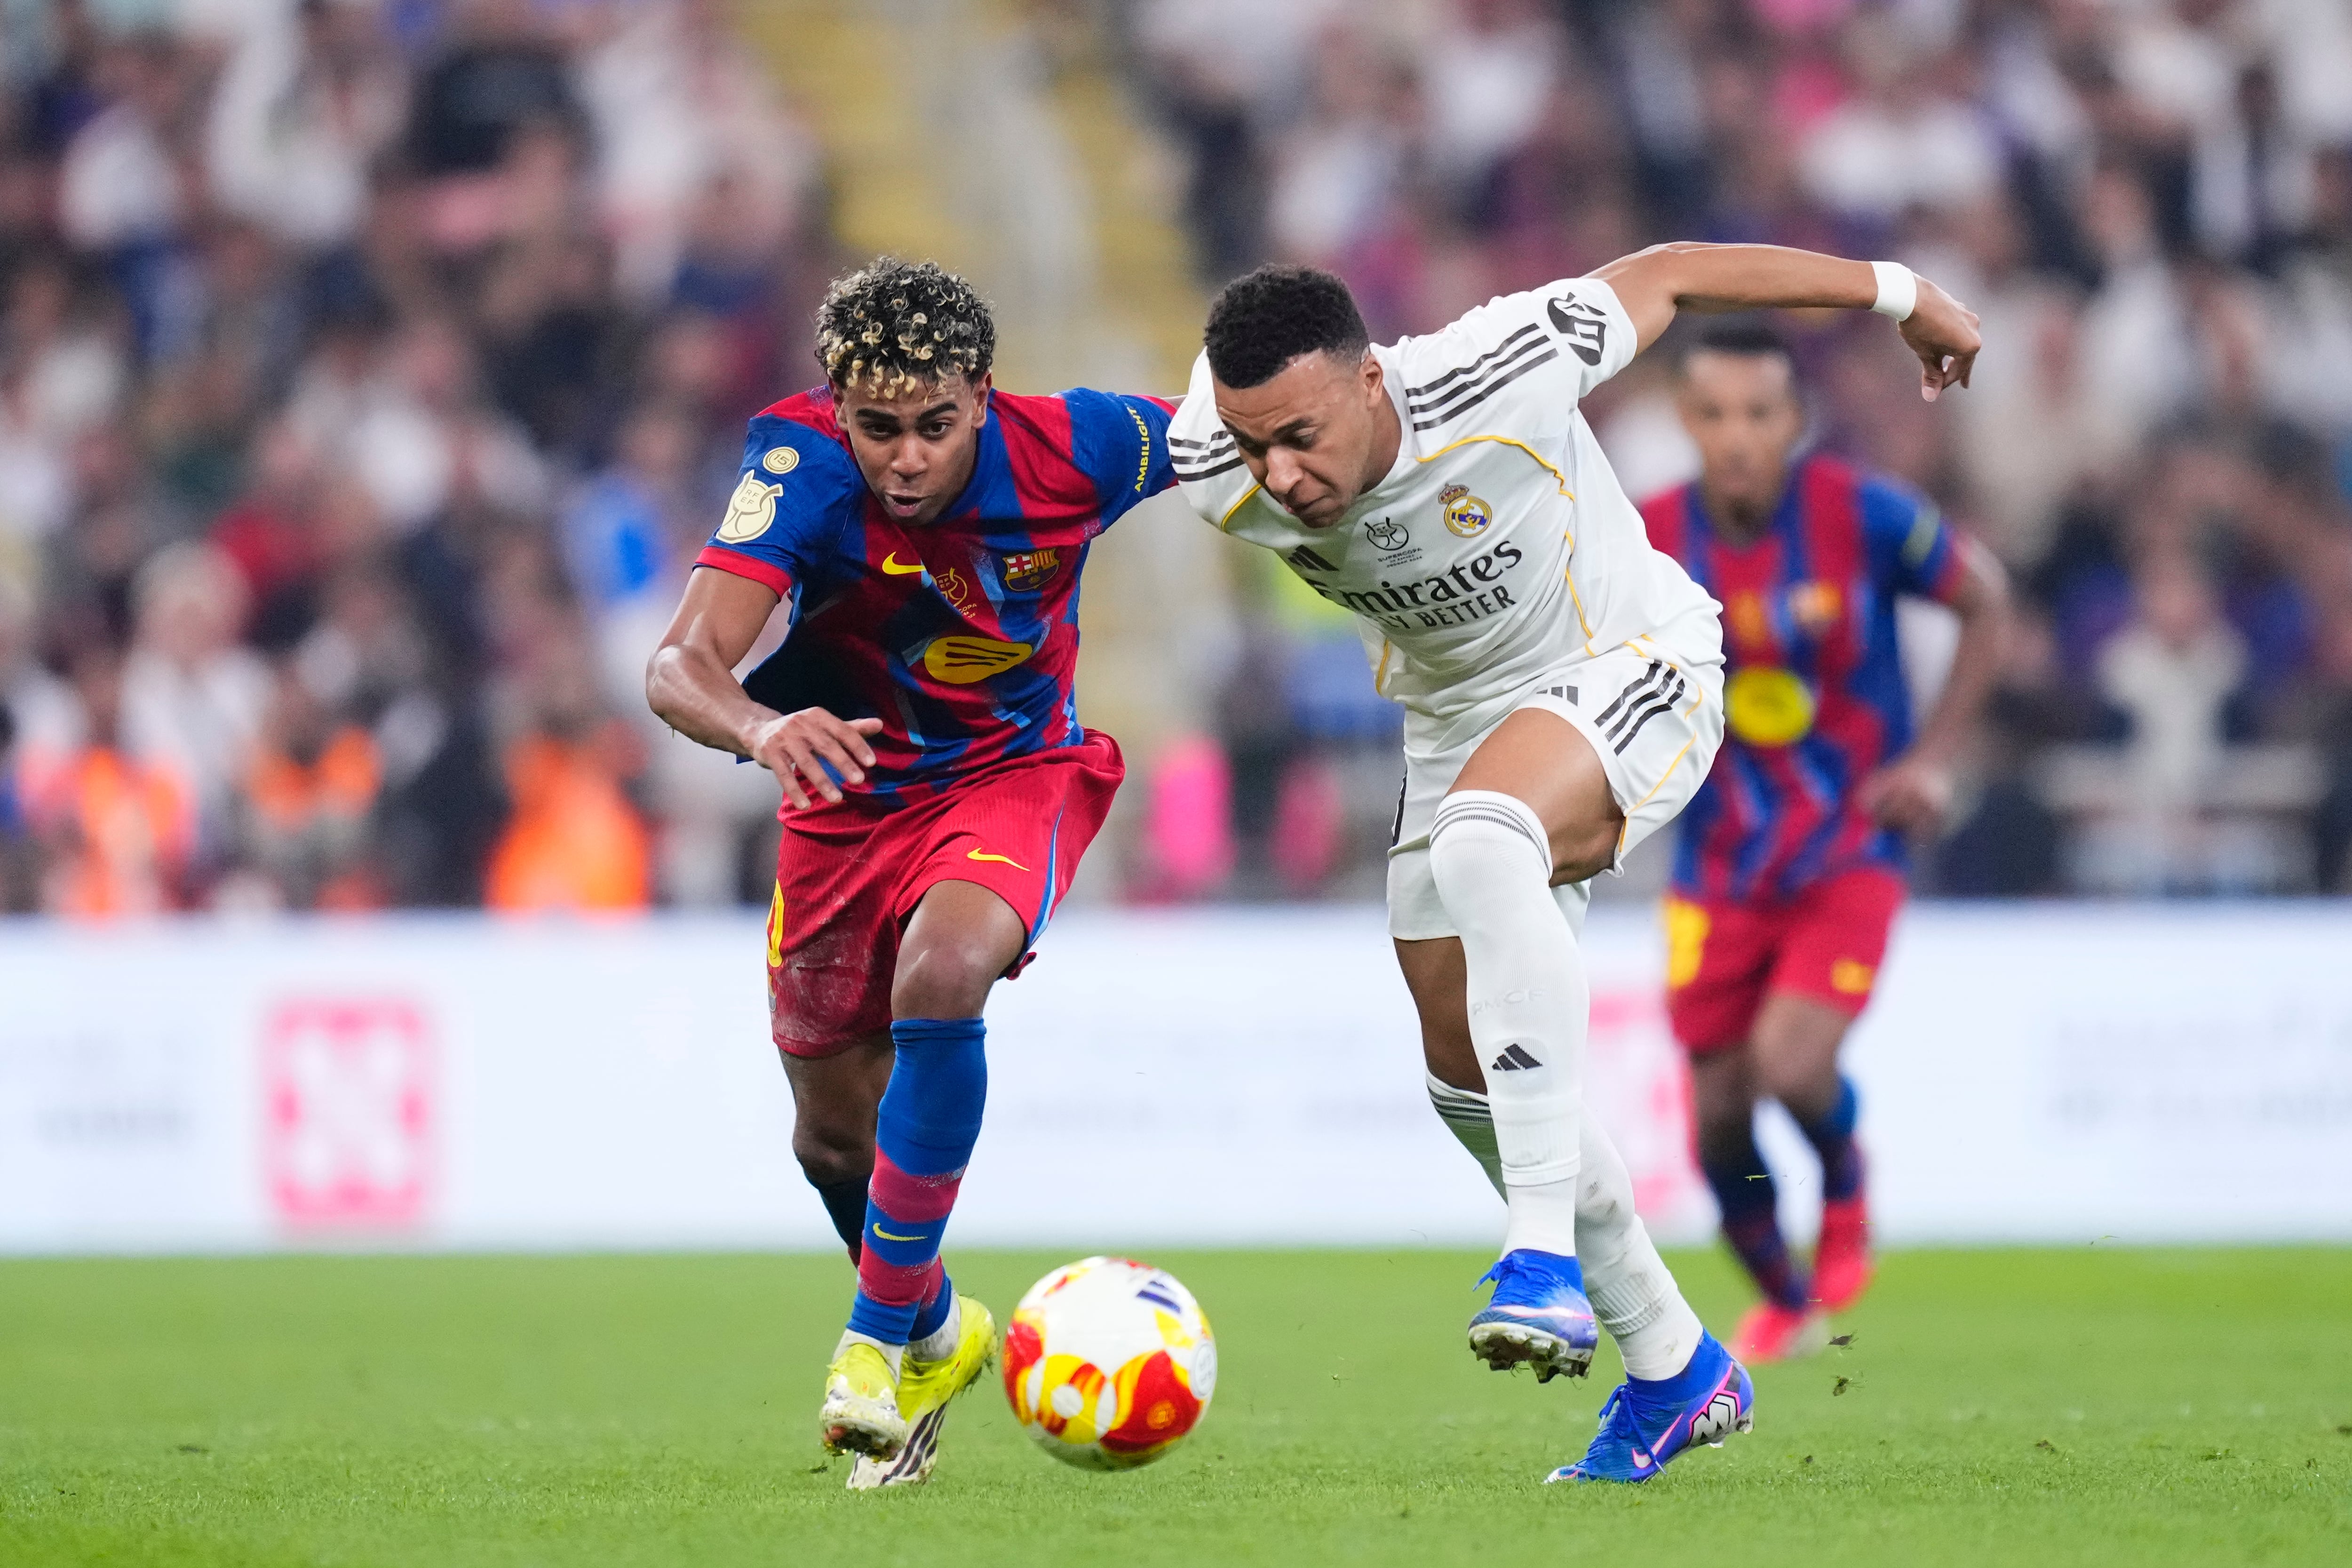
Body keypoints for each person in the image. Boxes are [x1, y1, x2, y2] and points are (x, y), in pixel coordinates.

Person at [1167, 245, 1979, 1484]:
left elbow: (1680, 271)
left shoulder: (1495, 366)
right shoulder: (1208, 461)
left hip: (1632, 659)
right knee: (1465, 1078)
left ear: (1373, 382)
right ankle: (1675, 1363)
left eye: (1301, 434)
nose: (1279, 473)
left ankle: (1539, 1253)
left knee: (1495, 840)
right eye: (1252, 442)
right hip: (1454, 722)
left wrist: (1899, 294)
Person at [644, 259, 1174, 1489]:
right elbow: (679, 666)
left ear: (983, 396)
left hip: (1014, 773)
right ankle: (933, 1329)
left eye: (936, 424)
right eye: (878, 427)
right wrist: (764, 730)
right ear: (840, 407)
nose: (908, 457)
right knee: (833, 1140)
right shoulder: (798, 467)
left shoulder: (1084, 444)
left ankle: (875, 1342)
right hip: (843, 793)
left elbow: (1245, 437)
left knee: (945, 971)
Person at [1639, 321, 2008, 1362]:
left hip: (1849, 843)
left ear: (1794, 420)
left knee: (1790, 1066)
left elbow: (1987, 602)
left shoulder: (1862, 514)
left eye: (1759, 414)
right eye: (1714, 415)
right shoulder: (1646, 534)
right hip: (1716, 864)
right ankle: (1783, 1295)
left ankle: (1845, 1187)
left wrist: (1933, 756)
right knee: (1716, 1120)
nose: (1738, 435)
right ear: (1686, 420)